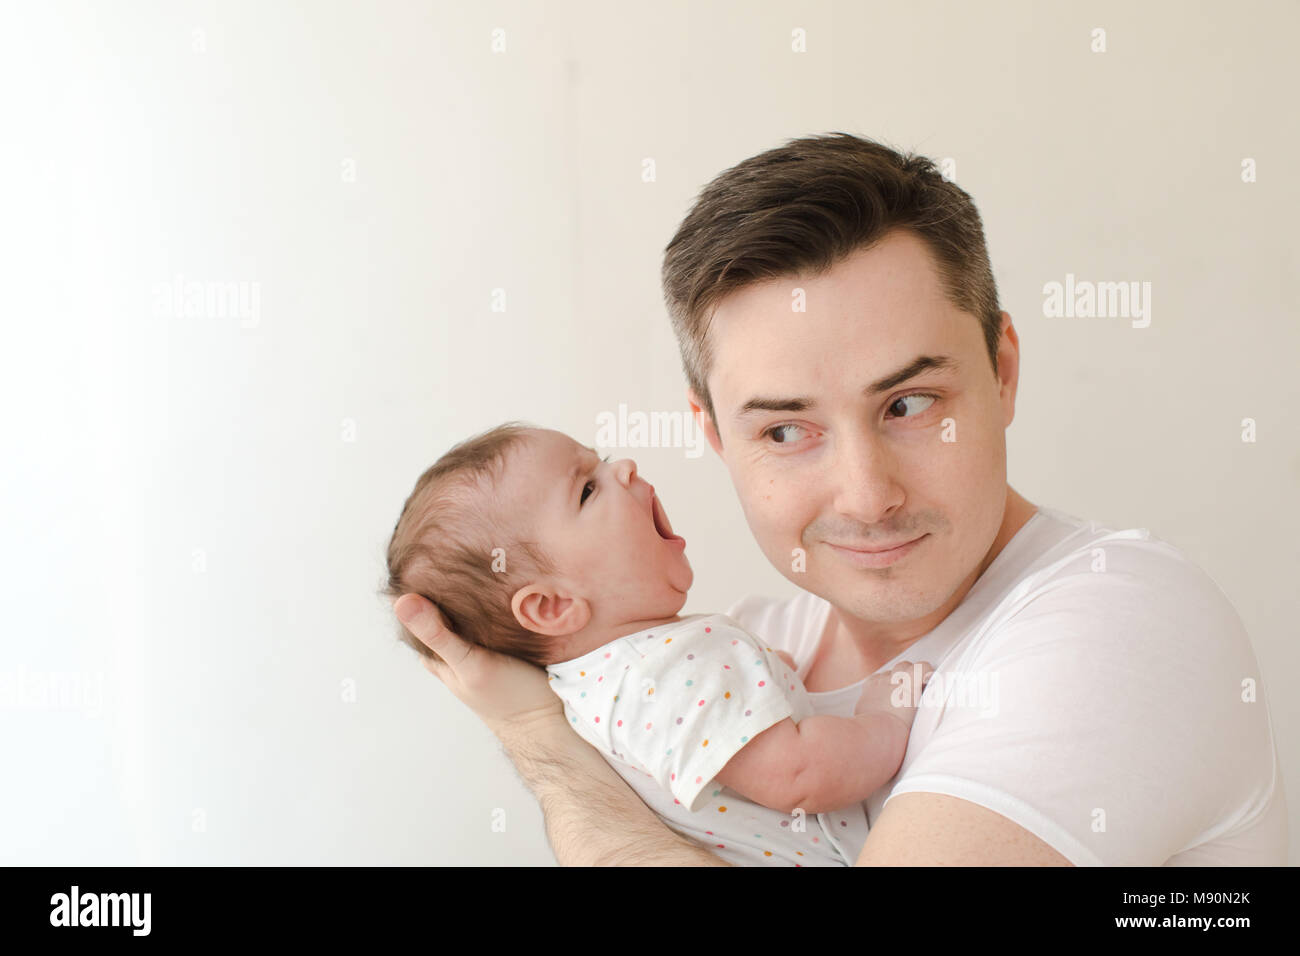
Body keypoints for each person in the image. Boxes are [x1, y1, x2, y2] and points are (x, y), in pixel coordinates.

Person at [393, 133, 1287, 866]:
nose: (867, 496)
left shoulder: (1116, 620)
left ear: (1002, 372)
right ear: (715, 437)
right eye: (786, 431)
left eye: (908, 405)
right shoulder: (751, 646)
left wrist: (540, 743)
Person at [384, 421, 935, 865]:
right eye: (587, 489)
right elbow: (798, 774)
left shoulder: (602, 689)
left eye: (599, 458)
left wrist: (764, 679)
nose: (623, 467)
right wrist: (882, 718)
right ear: (552, 606)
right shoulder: (665, 668)